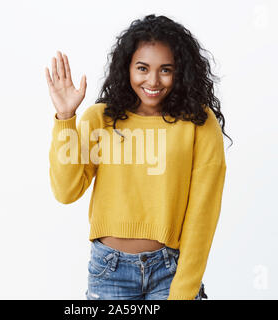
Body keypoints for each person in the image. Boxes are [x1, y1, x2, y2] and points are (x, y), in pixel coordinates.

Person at [45, 14, 232, 300]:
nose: (153, 80)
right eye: (142, 68)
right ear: (127, 68)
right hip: (109, 271)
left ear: (180, 71)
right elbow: (66, 191)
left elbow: (203, 216)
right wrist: (66, 117)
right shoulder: (101, 119)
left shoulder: (199, 122)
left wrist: (183, 291)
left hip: (172, 271)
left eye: (165, 69)